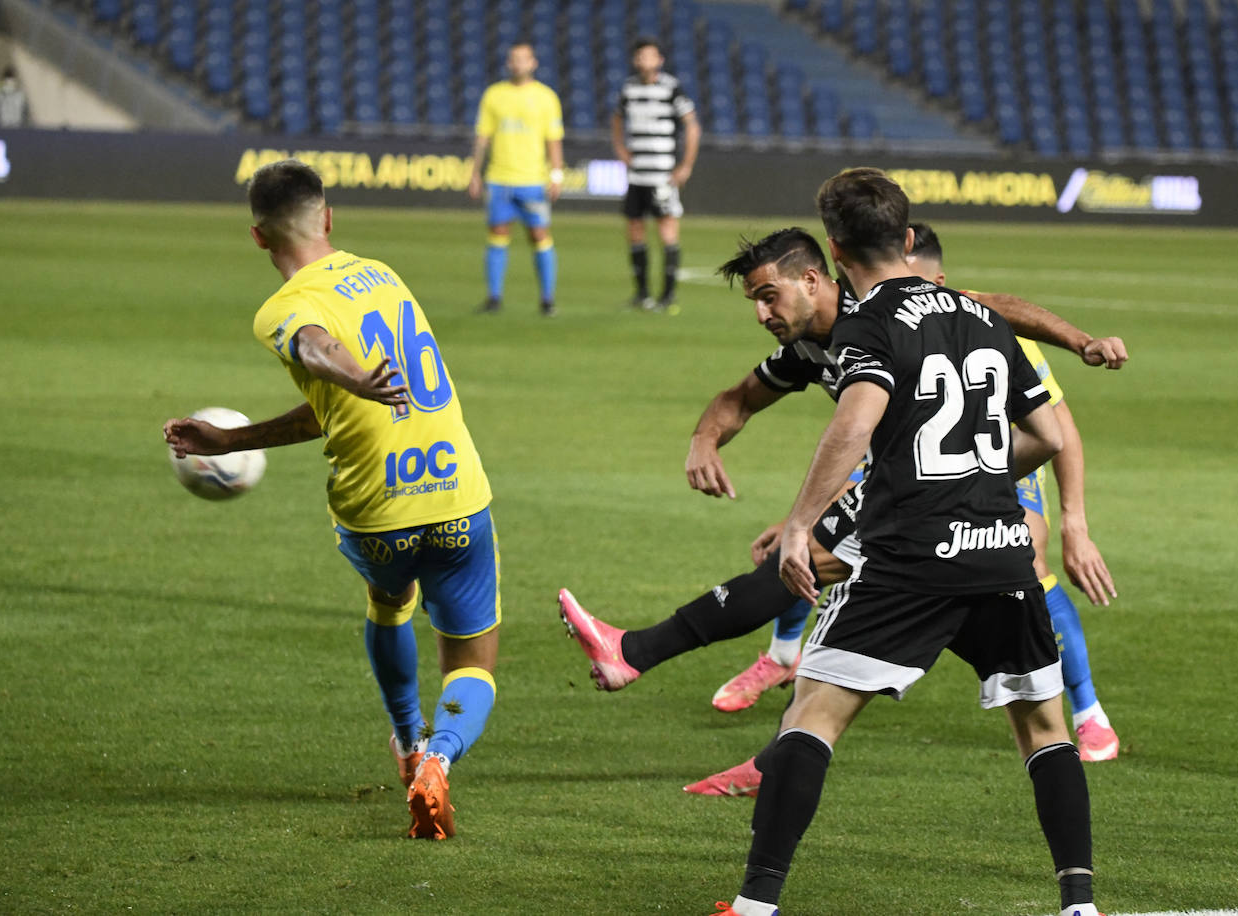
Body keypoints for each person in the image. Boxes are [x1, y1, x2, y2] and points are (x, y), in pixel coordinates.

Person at [714, 168, 1098, 916]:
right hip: (1001, 549)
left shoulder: (866, 323)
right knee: (1048, 732)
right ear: (910, 236)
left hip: (912, 559)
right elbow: (1048, 435)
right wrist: (976, 474)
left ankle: (755, 906)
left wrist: (800, 524)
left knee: (810, 718)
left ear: (834, 248)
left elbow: (855, 423)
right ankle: (1080, 906)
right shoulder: (981, 317)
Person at [558, 227, 1127, 708]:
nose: (762, 314)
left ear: (811, 280)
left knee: (840, 576)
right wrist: (704, 439)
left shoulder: (877, 309)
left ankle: (1085, 714)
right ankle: (702, 686)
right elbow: (741, 398)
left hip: (961, 470)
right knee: (818, 574)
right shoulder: (809, 345)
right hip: (908, 477)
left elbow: (999, 310)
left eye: (769, 297)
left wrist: (1081, 343)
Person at [164, 159, 500, 841]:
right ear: (329, 217)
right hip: (458, 493)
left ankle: (407, 740)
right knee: (471, 663)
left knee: (388, 601)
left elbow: (316, 351)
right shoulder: (382, 274)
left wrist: (352, 376)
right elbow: (328, 390)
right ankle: (440, 757)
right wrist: (236, 437)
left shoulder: (282, 309)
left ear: (259, 238)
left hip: (375, 509)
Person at [699, 223, 1121, 762]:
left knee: (1028, 558)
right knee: (815, 536)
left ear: (939, 282)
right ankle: (784, 656)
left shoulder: (979, 327)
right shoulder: (860, 325)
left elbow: (1057, 430)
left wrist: (1076, 524)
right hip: (910, 461)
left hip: (996, 458)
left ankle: (1087, 714)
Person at [467, 42, 564, 317]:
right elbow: (482, 137)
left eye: (523, 59)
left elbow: (553, 141)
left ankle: (547, 300)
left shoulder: (546, 97)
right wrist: (475, 172)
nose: (518, 64)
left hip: (533, 180)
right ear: (509, 63)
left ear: (533, 63)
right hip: (499, 179)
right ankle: (494, 298)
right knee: (497, 235)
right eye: (514, 59)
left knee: (540, 235)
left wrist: (556, 175)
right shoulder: (494, 95)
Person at [612, 36, 701, 312]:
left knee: (667, 231)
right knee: (635, 230)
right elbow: (616, 119)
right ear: (635, 60)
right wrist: (620, 149)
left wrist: (685, 165)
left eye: (650, 56)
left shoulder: (671, 88)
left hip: (662, 176)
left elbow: (693, 127)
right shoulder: (629, 89)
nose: (645, 61)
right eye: (640, 56)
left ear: (659, 60)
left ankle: (667, 296)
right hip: (637, 175)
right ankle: (642, 294)